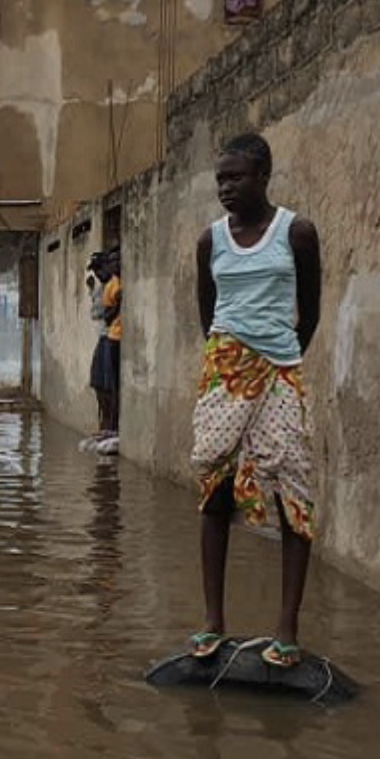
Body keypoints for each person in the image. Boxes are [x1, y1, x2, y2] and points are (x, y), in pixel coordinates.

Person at [188, 132, 321, 669]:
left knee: (294, 492)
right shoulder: (210, 241)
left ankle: (286, 629)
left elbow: (309, 311)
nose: (225, 187)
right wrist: (232, 360)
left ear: (263, 175)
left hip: (281, 372)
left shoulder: (298, 233)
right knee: (215, 490)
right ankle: (213, 622)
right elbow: (207, 313)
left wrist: (278, 359)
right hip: (224, 371)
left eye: (235, 177)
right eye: (220, 178)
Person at [87, 253, 113, 437]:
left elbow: (102, 312)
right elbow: (95, 313)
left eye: (99, 269)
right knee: (97, 382)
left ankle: (109, 425)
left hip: (110, 337)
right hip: (103, 337)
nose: (97, 273)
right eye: (95, 270)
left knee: (107, 384)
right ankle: (104, 423)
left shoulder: (114, 285)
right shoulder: (99, 289)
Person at [100, 248, 123, 435]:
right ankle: (113, 426)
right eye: (112, 261)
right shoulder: (111, 286)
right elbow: (106, 318)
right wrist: (118, 304)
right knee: (115, 385)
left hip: (126, 339)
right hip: (115, 338)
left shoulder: (126, 282)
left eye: (118, 260)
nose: (115, 265)